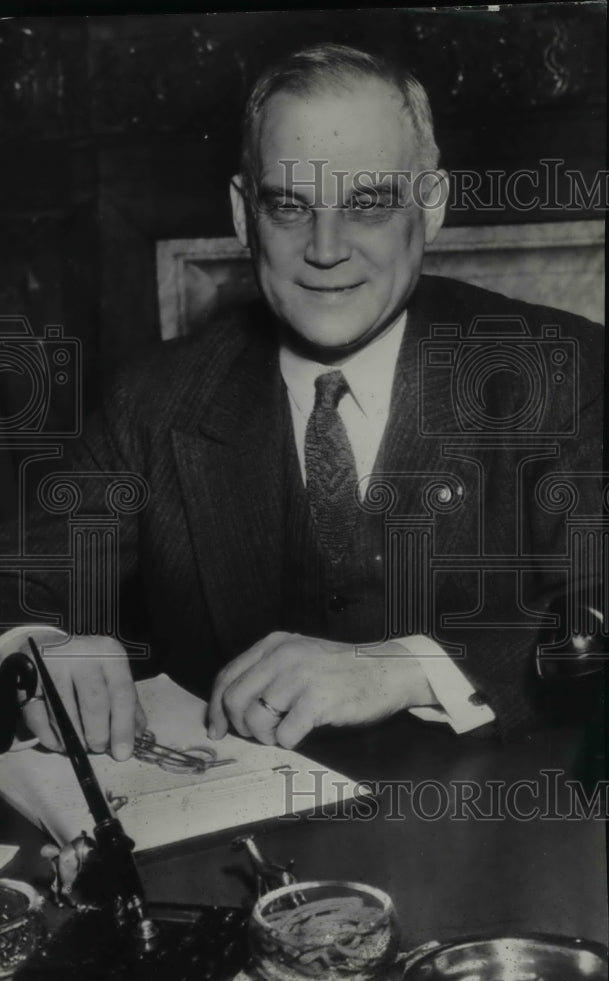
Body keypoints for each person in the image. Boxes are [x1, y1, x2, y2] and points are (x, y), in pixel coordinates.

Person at [0, 44, 603, 759]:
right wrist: (34, 646)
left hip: (504, 845)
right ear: (240, 213)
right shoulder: (152, 399)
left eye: (368, 205)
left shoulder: (562, 372)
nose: (324, 248)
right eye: (289, 206)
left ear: (430, 207)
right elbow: (23, 585)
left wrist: (409, 667)